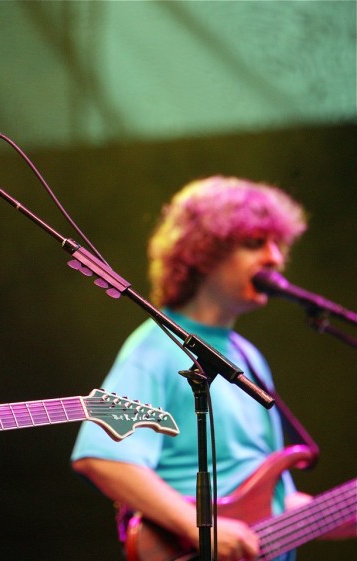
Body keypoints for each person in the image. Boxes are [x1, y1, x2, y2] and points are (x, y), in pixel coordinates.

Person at [71, 176, 353, 561]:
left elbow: (271, 500)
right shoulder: (156, 347)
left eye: (277, 244)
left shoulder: (248, 356)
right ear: (203, 252)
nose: (275, 258)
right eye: (255, 243)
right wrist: (197, 526)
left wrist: (327, 513)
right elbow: (101, 456)